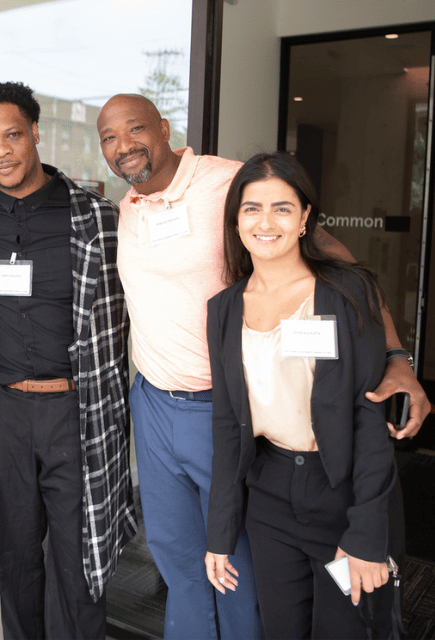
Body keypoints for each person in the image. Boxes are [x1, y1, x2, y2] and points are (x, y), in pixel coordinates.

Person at [95, 93, 427, 639]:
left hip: (225, 406)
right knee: (180, 556)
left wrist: (395, 356)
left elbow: (341, 266)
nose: (123, 145)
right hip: (154, 400)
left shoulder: (231, 184)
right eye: (109, 137)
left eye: (135, 129)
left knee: (243, 567)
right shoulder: (127, 206)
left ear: (164, 127)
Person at [0, 81, 134, 640]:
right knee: (15, 558)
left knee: (80, 564)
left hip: (77, 413)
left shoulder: (97, 217)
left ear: (34, 133)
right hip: (2, 414)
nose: (0, 151)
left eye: (10, 135)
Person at [204, 152, 398, 638]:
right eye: (252, 209)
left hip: (340, 492)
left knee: (345, 630)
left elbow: (370, 417)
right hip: (269, 494)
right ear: (235, 219)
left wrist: (368, 534)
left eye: (282, 208)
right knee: (280, 629)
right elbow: (229, 426)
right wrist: (220, 535)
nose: (265, 222)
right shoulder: (224, 309)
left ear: (305, 217)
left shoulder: (347, 292)